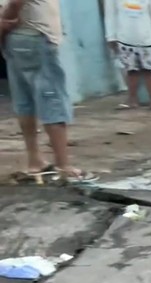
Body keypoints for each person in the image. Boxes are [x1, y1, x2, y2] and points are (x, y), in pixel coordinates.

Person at [0, 0, 95, 183]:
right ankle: (63, 165)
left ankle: (35, 161)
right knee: (52, 98)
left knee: (25, 100)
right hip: (35, 35)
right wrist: (8, 16)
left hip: (16, 36)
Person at [104, 0, 151, 110]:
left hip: (147, 40)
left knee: (149, 71)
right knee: (131, 72)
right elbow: (110, 16)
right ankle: (132, 100)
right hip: (125, 40)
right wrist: (111, 37)